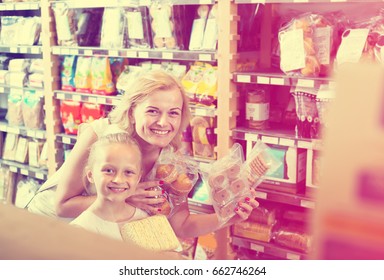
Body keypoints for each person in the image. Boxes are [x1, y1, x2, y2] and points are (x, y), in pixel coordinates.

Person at [27, 69, 259, 238]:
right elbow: (63, 205)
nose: (163, 122)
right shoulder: (100, 135)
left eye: (173, 113)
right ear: (132, 110)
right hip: (48, 230)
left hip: (94, 237)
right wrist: (125, 197)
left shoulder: (171, 162)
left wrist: (228, 217)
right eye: (153, 111)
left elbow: (181, 225)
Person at [70, 133, 148, 240]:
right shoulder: (80, 230)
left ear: (138, 178)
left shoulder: (144, 220)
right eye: (109, 171)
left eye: (128, 172)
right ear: (90, 175)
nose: (118, 180)